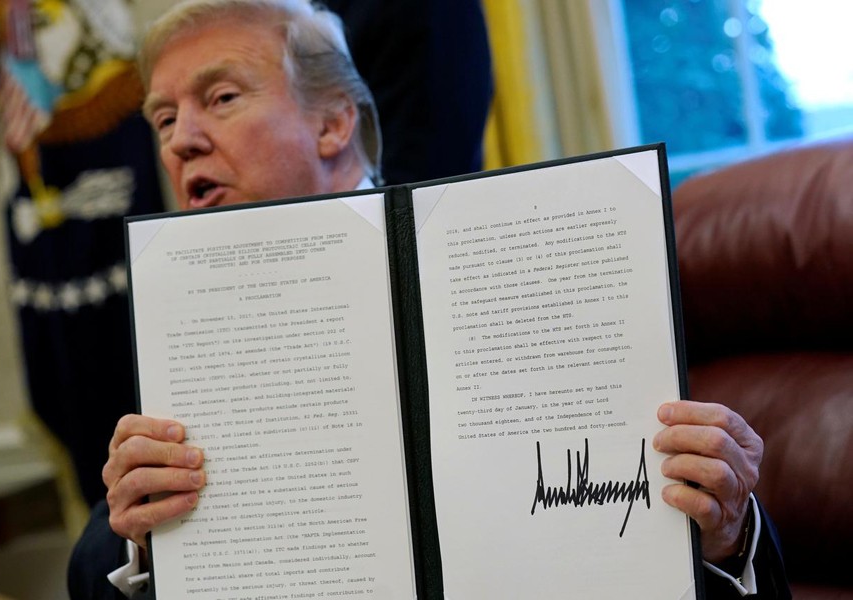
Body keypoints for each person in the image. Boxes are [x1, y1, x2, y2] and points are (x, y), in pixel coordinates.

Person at [68, 1, 790, 598]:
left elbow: (677, 525)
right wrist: (137, 540)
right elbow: (91, 572)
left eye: (221, 98)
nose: (180, 142)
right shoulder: (188, 318)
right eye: (163, 120)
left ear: (333, 123)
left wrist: (727, 534)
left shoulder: (525, 258)